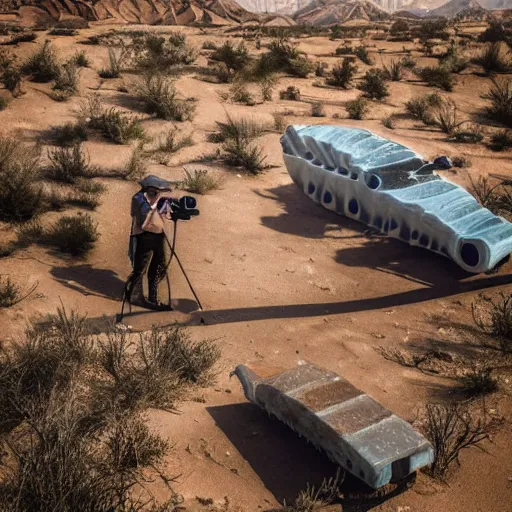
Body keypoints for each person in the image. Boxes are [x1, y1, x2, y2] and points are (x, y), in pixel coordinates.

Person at [126, 175, 171, 308]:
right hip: (143, 236)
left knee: (159, 265)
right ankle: (135, 296)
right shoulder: (139, 199)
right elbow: (143, 221)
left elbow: (166, 214)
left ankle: (153, 295)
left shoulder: (159, 199)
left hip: (158, 236)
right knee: (140, 267)